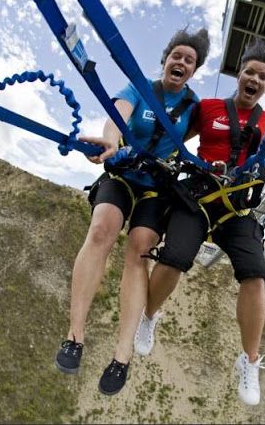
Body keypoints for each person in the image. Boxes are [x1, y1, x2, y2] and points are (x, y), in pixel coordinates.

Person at [133, 38, 265, 406]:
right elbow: (180, 133)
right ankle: (149, 315)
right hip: (200, 196)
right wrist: (148, 149)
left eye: (263, 77)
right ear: (239, 75)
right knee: (174, 257)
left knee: (256, 275)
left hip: (238, 208)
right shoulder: (209, 108)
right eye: (250, 72)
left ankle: (249, 359)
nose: (255, 80)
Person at [54, 27, 210, 397]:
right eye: (177, 56)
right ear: (166, 59)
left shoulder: (194, 108)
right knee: (101, 230)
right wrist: (112, 141)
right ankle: (74, 336)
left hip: (156, 187)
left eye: (189, 60)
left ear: (194, 70)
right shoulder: (140, 89)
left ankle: (122, 356)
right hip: (123, 172)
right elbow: (117, 116)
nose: (182, 62)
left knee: (139, 249)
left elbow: (209, 137)